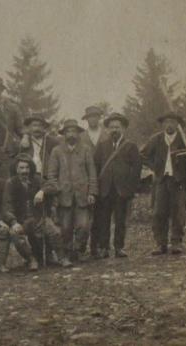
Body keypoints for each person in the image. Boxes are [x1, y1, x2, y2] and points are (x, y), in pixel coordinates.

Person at [141, 111, 186, 256]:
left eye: (172, 122)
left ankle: (176, 243)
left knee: (178, 212)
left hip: (179, 181)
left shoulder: (185, 140)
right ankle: (160, 244)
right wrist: (154, 166)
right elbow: (142, 155)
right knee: (158, 212)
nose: (169, 124)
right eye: (166, 122)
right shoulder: (156, 139)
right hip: (161, 180)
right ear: (163, 124)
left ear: (177, 125)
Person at [47, 119, 98, 266]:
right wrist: (56, 192)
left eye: (74, 131)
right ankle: (68, 252)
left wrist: (92, 193)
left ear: (78, 133)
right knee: (65, 227)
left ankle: (79, 249)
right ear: (64, 134)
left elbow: (92, 173)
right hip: (64, 196)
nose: (71, 134)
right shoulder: (57, 151)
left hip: (82, 195)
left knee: (83, 225)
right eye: (68, 131)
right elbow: (51, 175)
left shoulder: (86, 149)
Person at [93, 113, 142, 259]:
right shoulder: (102, 146)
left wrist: (130, 189)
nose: (114, 129)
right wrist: (96, 188)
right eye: (111, 127)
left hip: (122, 190)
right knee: (103, 220)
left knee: (120, 220)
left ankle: (119, 247)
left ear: (123, 129)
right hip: (105, 189)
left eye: (117, 127)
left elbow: (136, 169)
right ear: (107, 129)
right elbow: (95, 167)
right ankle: (103, 248)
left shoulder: (131, 146)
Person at [2, 154, 61, 271]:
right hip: (21, 220)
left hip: (39, 218)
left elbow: (54, 186)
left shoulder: (37, 179)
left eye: (27, 168)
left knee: (54, 232)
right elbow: (6, 206)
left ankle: (60, 256)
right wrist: (13, 222)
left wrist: (42, 191)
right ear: (16, 169)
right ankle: (31, 259)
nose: (25, 171)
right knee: (16, 235)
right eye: (21, 168)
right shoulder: (10, 183)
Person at [81, 105, 111, 258]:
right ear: (86, 120)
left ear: (99, 118)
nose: (92, 119)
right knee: (87, 215)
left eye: (95, 116)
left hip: (105, 180)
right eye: (89, 117)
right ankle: (89, 247)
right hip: (86, 181)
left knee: (103, 214)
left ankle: (104, 246)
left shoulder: (107, 136)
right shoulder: (82, 137)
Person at [19, 114, 60, 178]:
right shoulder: (24, 141)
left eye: (40, 126)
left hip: (46, 176)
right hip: (28, 175)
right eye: (34, 125)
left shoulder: (52, 141)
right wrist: (25, 136)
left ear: (44, 128)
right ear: (29, 127)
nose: (37, 128)